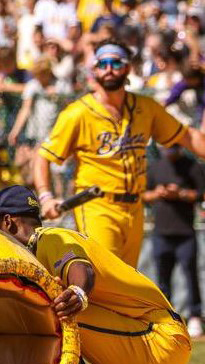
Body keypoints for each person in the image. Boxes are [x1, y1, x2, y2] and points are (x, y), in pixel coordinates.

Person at [0, 186, 194, 364]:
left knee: (48, 314)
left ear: (8, 222)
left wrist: (78, 292)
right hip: (136, 343)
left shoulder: (49, 238)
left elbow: (82, 270)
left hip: (160, 338)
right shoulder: (31, 258)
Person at [34, 38, 205, 267]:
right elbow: (43, 156)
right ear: (94, 70)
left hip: (134, 207)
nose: (108, 69)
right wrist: (45, 196)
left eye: (115, 63)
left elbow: (188, 137)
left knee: (126, 285)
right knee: (106, 277)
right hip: (97, 205)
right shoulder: (77, 114)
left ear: (127, 68)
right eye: (102, 63)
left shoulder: (146, 107)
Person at [144, 145, 205, 339]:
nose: (168, 150)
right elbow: (144, 195)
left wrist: (180, 194)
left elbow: (200, 194)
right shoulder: (155, 166)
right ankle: (166, 317)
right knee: (162, 278)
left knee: (190, 275)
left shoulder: (192, 165)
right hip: (161, 232)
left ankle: (195, 316)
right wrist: (159, 193)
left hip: (185, 232)